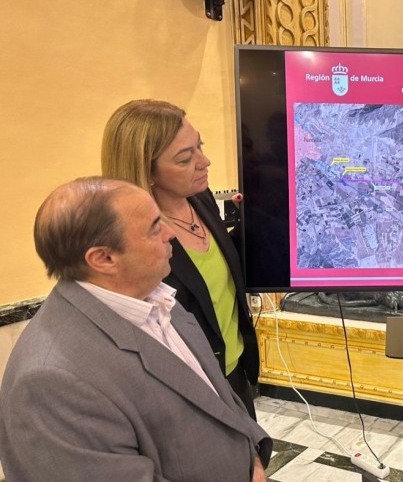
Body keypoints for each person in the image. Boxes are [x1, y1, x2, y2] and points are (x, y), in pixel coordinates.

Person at [0, 177, 271, 481]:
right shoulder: (50, 384)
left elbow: (218, 396)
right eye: (155, 227)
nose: (171, 233)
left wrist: (253, 457)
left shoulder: (157, 297)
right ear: (104, 258)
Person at [101, 99, 259, 419]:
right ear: (147, 172)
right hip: (190, 391)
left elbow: (218, 270)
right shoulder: (132, 240)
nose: (205, 161)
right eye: (186, 158)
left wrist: (254, 219)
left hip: (234, 371)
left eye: (200, 146)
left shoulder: (200, 199)